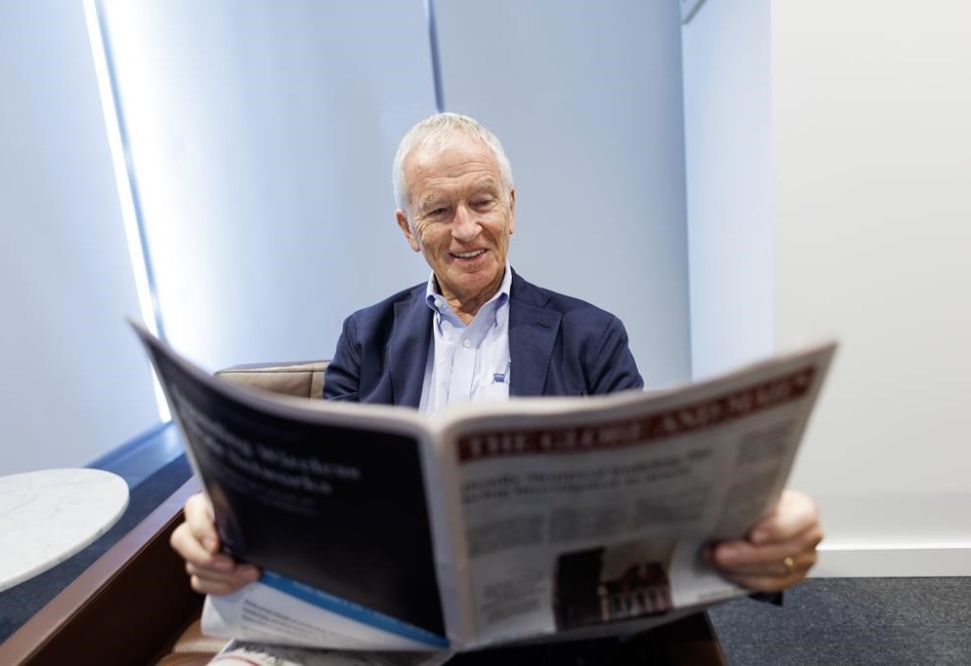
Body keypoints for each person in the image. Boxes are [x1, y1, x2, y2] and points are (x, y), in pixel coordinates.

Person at [171, 112, 823, 598]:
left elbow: (649, 492)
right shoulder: (363, 339)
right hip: (403, 603)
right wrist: (226, 515)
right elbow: (324, 493)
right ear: (407, 229)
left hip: (549, 616)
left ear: (512, 207)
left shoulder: (591, 336)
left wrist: (760, 527)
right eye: (438, 210)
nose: (466, 229)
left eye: (482, 202)